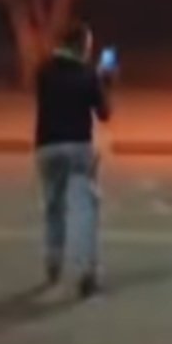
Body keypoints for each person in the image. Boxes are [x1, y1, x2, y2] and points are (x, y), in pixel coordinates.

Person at [35, 21, 112, 298]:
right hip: (79, 146)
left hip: (47, 146)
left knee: (54, 207)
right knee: (85, 210)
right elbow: (104, 113)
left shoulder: (44, 71)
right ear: (81, 46)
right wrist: (103, 83)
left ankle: (53, 264)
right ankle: (86, 273)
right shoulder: (88, 75)